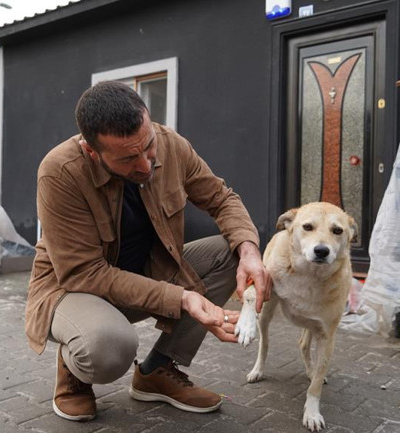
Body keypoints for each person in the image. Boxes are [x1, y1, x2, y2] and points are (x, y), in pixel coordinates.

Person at [27, 81, 271, 421]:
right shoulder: (60, 172)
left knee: (229, 253)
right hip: (71, 289)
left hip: (143, 272)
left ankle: (157, 370)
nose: (145, 165)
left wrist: (249, 251)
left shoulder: (171, 145)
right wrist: (182, 297)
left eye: (148, 146)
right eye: (128, 158)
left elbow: (221, 198)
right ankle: (75, 373)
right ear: (92, 152)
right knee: (110, 347)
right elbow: (84, 273)